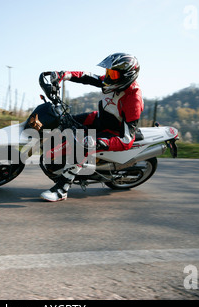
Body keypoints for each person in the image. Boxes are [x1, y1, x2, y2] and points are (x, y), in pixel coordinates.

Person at [40, 52, 144, 202]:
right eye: (108, 72)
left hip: (112, 132)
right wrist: (63, 75)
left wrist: (99, 142)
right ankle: (56, 160)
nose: (107, 77)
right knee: (62, 121)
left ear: (126, 76)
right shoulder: (111, 82)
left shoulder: (133, 99)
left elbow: (127, 140)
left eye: (112, 74)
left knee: (82, 145)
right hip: (99, 118)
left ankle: (62, 189)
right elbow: (87, 77)